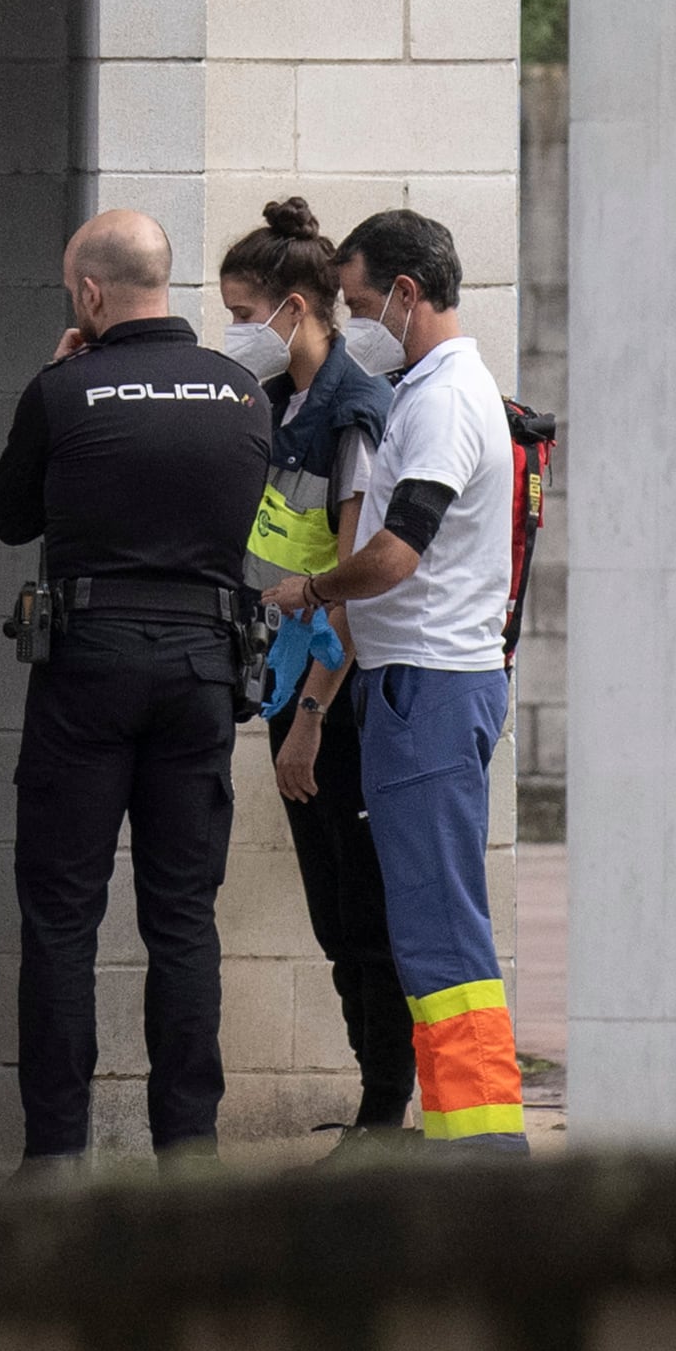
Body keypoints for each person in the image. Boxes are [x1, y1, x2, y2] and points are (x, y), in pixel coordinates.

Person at [0, 209, 272, 1167]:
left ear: (92, 296)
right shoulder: (241, 394)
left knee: (62, 919)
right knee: (182, 920)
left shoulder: (67, 389)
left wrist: (60, 376)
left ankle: (56, 1159)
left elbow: (5, 511)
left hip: (89, 668)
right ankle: (188, 1154)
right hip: (202, 669)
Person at [262, 209, 528, 1151]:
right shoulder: (431, 388)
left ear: (408, 296)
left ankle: (485, 1148)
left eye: (367, 301)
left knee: (441, 939)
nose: (359, 318)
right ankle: (466, 1138)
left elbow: (396, 554)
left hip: (428, 688)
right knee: (426, 936)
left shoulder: (447, 400)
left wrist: (314, 587)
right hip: (417, 689)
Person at [218, 199, 405, 1141]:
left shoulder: (354, 413)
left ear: (294, 307)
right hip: (287, 683)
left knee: (363, 913)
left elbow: (356, 580)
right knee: (332, 915)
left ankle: (384, 1110)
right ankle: (374, 1103)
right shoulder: (278, 405)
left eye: (244, 315)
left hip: (339, 699)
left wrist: (312, 718)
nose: (235, 334)